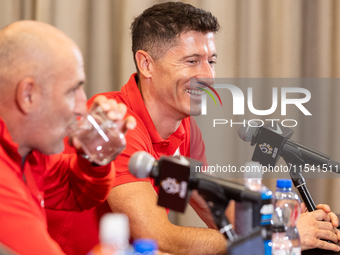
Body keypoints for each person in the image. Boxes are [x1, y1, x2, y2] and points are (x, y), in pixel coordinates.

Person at [47, 2, 340, 254]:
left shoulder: (183, 126)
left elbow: (214, 210)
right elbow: (158, 236)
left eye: (211, 61)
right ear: (146, 64)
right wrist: (277, 238)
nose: (208, 76)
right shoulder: (115, 122)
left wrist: (284, 219)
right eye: (192, 61)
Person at [0, 20, 136, 255]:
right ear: (28, 95)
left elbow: (75, 190)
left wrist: (94, 153)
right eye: (72, 91)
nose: (82, 108)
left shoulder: (28, 155)